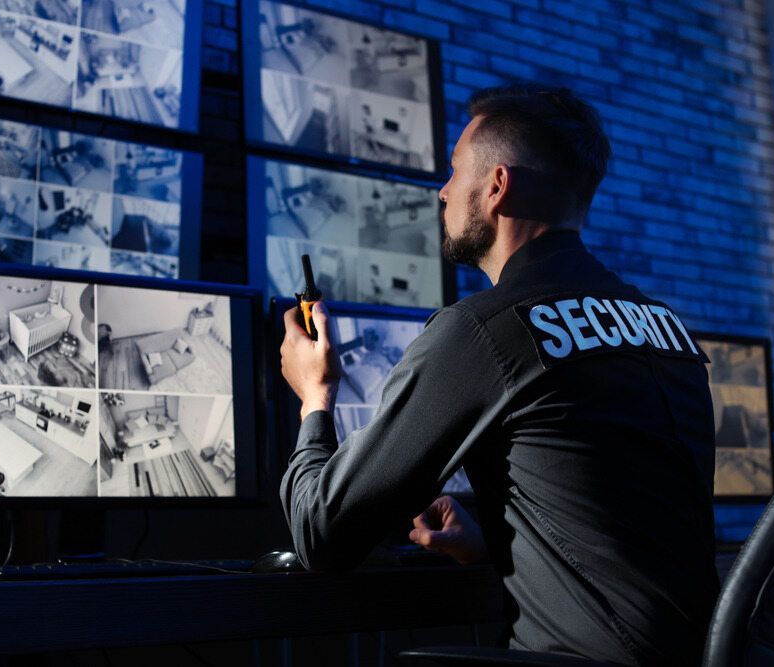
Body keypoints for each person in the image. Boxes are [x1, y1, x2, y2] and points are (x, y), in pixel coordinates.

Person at [279, 84, 719, 666]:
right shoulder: (666, 330)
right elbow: (627, 519)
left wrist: (316, 396)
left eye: (455, 171)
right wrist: (495, 538)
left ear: (496, 186)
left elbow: (323, 534)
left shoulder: (486, 331)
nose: (442, 191)